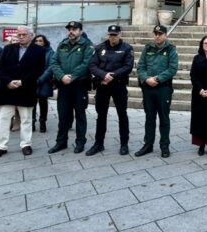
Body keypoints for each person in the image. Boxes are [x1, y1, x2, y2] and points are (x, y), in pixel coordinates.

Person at [0, 26, 46, 159]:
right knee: (3, 119)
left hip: (26, 89)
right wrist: (8, 81)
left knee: (26, 119)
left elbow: (38, 70)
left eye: (24, 34)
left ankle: (26, 144)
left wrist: (22, 82)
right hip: (7, 89)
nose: (21, 37)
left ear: (31, 36)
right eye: (19, 35)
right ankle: (0, 146)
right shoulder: (8, 48)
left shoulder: (39, 50)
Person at [87, 24, 134, 156]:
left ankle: (124, 144)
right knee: (101, 115)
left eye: (115, 35)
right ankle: (98, 144)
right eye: (111, 35)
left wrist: (113, 75)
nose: (112, 37)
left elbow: (128, 66)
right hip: (103, 85)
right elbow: (92, 65)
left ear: (120, 35)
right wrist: (104, 75)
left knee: (122, 114)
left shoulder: (127, 48)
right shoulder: (100, 47)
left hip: (119, 85)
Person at [48, 21, 94, 154]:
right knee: (63, 115)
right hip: (64, 85)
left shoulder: (87, 45)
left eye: (74, 29)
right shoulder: (63, 44)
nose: (71, 31)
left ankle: (80, 142)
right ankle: (61, 142)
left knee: (80, 114)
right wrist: (62, 76)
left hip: (79, 86)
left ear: (80, 31)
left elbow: (86, 64)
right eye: (69, 29)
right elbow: (54, 62)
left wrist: (72, 77)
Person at [134, 25, 178, 158]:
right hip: (148, 88)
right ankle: (148, 145)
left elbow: (172, 68)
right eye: (155, 34)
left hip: (163, 88)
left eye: (160, 34)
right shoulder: (147, 48)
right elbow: (140, 66)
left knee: (164, 118)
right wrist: (146, 78)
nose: (157, 36)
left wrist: (157, 79)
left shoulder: (171, 49)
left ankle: (164, 146)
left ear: (165, 35)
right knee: (149, 118)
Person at [32, 34, 54, 133]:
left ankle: (42, 122)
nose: (38, 42)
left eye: (40, 41)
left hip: (45, 81)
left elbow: (51, 67)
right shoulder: (30, 51)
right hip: (32, 80)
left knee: (43, 102)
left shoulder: (50, 52)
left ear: (44, 42)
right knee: (32, 102)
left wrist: (41, 79)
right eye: (36, 41)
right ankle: (32, 122)